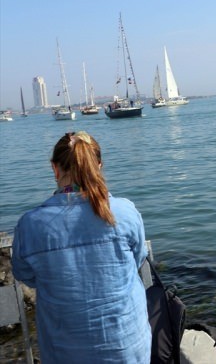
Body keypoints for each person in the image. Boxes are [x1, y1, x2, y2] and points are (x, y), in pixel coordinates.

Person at [11, 131, 151, 363]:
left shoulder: (31, 224)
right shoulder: (125, 212)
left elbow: (24, 274)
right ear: (98, 166)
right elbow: (136, 260)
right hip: (127, 348)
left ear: (55, 169)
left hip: (64, 352)